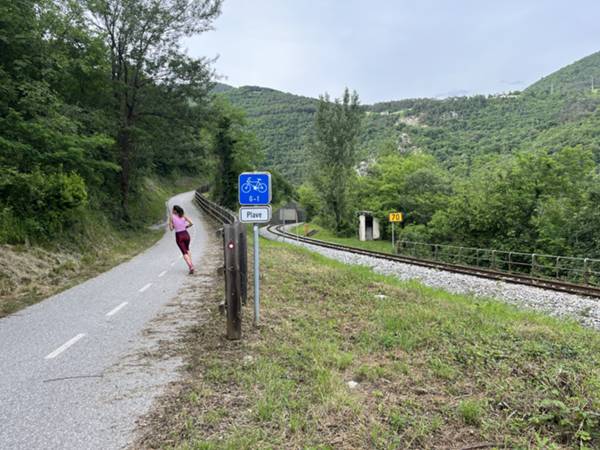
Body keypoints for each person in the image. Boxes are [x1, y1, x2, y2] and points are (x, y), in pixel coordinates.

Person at [168, 205, 194, 274]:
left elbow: (171, 229)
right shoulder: (183, 216)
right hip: (186, 234)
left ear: (175, 210)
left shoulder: (171, 217)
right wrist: (186, 227)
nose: (172, 211)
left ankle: (190, 266)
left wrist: (171, 224)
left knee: (184, 252)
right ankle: (191, 264)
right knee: (187, 249)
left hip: (179, 236)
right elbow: (191, 223)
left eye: (173, 209)